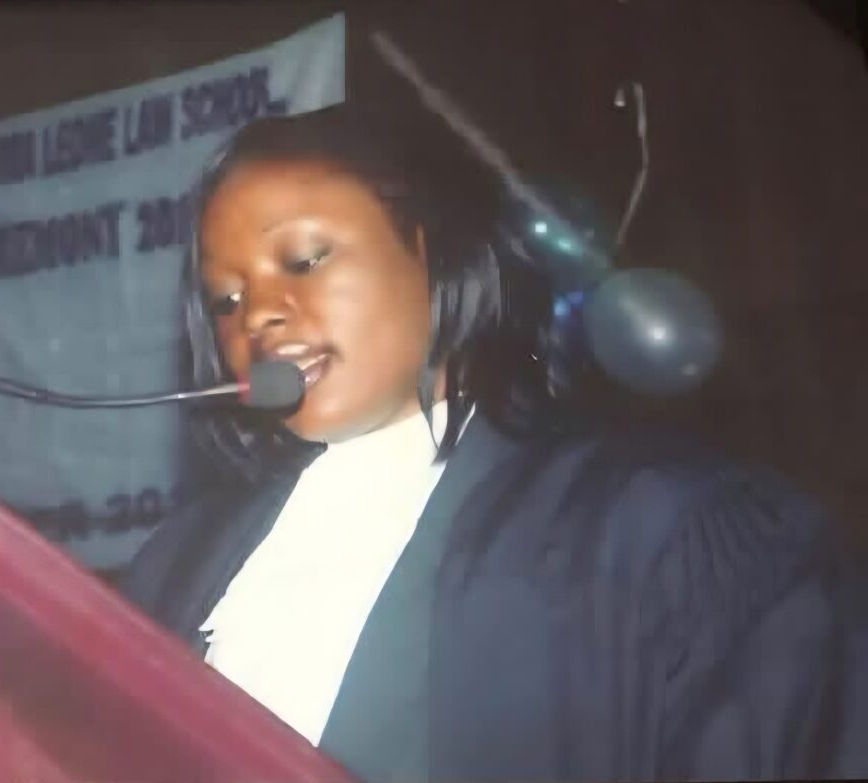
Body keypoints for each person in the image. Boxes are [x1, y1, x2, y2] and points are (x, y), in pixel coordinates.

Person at [122, 103, 866, 782]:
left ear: (436, 248)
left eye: (305, 259)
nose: (259, 315)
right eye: (226, 298)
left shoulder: (663, 526)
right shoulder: (178, 566)